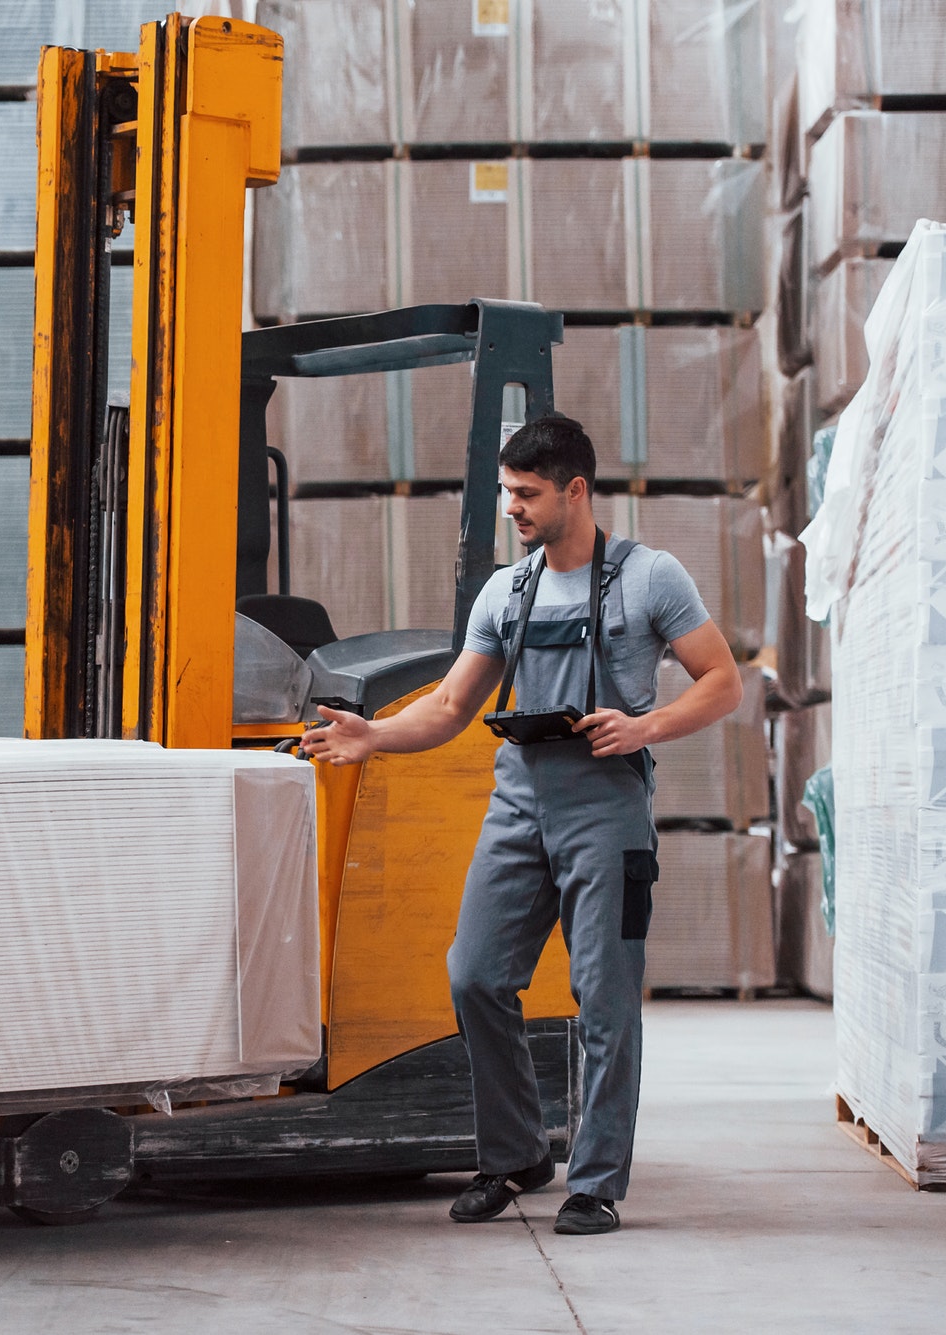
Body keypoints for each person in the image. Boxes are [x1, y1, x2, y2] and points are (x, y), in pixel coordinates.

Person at [299, 412, 743, 1236]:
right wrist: (371, 738)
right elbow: (448, 706)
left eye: (527, 493)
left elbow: (723, 680)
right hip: (518, 803)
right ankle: (514, 1155)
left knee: (603, 999)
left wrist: (645, 726)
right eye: (507, 491)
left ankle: (597, 1180)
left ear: (576, 489)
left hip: (607, 810)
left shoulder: (650, 579)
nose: (513, 507)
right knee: (473, 974)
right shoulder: (507, 591)